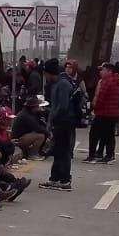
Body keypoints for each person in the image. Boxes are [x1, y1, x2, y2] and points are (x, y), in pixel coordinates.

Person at [43, 60, 81, 191]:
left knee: (64, 151)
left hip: (65, 122)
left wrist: (53, 118)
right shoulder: (58, 83)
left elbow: (62, 106)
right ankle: (54, 178)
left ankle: (64, 180)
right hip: (60, 121)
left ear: (50, 73)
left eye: (46, 74)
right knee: (58, 151)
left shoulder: (63, 84)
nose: (45, 77)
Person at [87, 63, 119, 164]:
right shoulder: (116, 81)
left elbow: (101, 97)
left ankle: (92, 155)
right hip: (112, 112)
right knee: (109, 135)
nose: (100, 72)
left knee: (94, 134)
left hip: (104, 112)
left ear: (109, 71)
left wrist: (94, 109)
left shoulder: (107, 81)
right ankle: (109, 155)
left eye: (102, 70)